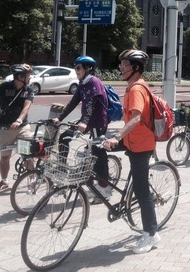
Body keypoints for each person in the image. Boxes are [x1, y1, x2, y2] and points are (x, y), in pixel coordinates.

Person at [102, 49, 159, 254]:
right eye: (121, 64)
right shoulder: (132, 87)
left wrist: (116, 137)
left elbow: (135, 118)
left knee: (142, 191)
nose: (121, 67)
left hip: (141, 145)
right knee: (97, 147)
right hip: (131, 140)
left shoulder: (136, 89)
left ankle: (151, 234)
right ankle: (104, 186)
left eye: (125, 65)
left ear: (135, 68)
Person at [53, 56, 110, 202]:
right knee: (65, 136)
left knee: (98, 151)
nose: (76, 70)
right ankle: (62, 169)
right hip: (86, 121)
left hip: (97, 122)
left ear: (88, 68)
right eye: (75, 67)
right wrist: (60, 118)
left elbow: (91, 102)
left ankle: (105, 187)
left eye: (78, 67)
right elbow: (73, 103)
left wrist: (84, 122)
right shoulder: (82, 83)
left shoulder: (93, 82)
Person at [0, 64, 35, 192]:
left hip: (22, 127)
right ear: (20, 77)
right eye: (28, 75)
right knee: (4, 157)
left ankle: (32, 180)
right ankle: (4, 181)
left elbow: (26, 108)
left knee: (26, 154)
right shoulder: (3, 87)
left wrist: (19, 120)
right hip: (5, 128)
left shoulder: (29, 90)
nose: (30, 77)